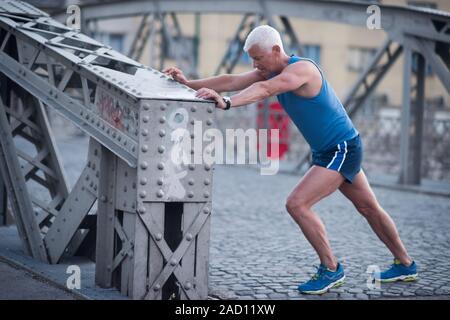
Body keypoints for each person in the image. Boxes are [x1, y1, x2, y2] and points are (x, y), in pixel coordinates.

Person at [164, 25, 418, 295]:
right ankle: (406, 264)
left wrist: (226, 103)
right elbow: (231, 80)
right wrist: (190, 84)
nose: (254, 64)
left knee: (297, 204)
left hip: (341, 149)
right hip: (331, 149)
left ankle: (331, 269)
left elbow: (264, 89)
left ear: (275, 50)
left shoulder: (301, 71)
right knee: (368, 208)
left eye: (258, 58)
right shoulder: (270, 69)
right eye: (252, 59)